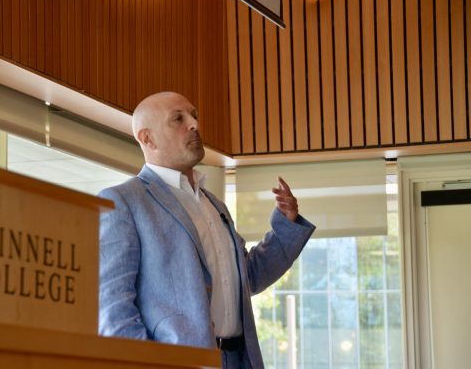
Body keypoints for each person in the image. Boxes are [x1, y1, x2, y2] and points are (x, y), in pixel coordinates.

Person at [98, 92, 315, 369]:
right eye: (178, 119)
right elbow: (112, 307)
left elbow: (248, 277)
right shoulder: (124, 201)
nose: (194, 125)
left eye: (194, 116)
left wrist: (286, 226)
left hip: (239, 358)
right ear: (147, 138)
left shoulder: (214, 204)